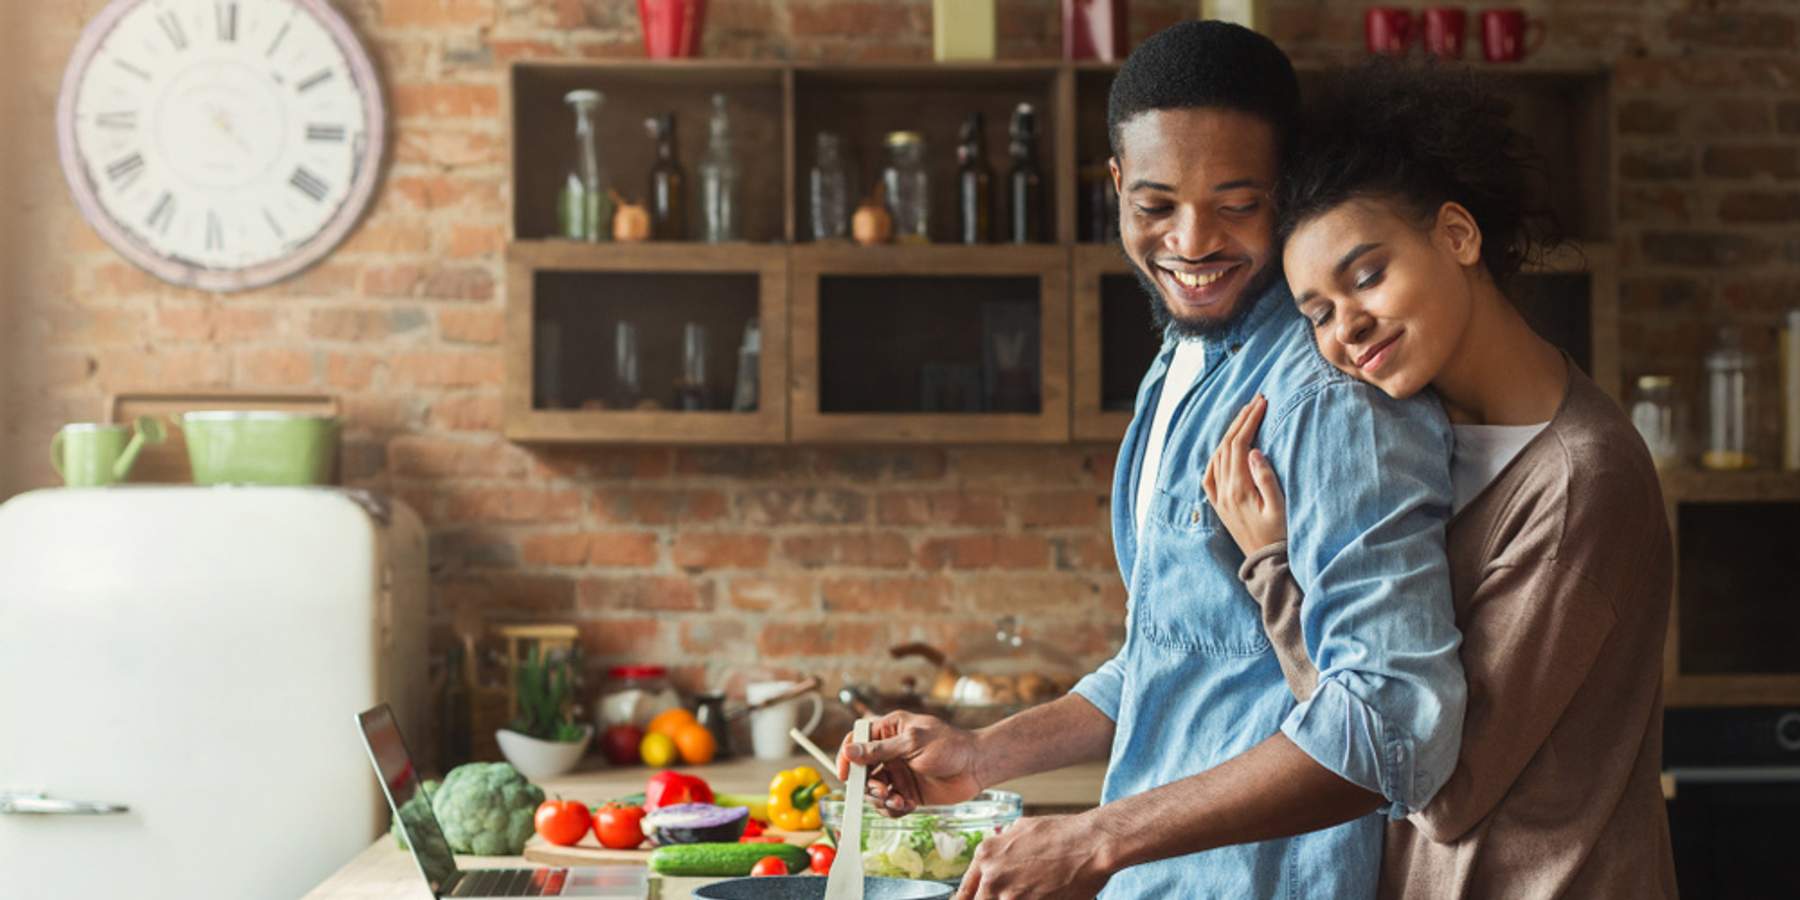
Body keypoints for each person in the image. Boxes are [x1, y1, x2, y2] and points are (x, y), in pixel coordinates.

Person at [838, 22, 1468, 899]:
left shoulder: (1330, 394)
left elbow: (1393, 725)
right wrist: (984, 753)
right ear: (1117, 188)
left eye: (1238, 203)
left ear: (1287, 190)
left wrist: (1094, 838)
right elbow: (1176, 651)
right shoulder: (1181, 362)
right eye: (1157, 205)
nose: (1193, 240)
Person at [1202, 61, 1677, 898]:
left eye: (1367, 275)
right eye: (1316, 312)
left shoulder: (1578, 483)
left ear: (1458, 236)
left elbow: (1434, 784)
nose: (1347, 328)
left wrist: (1274, 569)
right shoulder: (1426, 446)